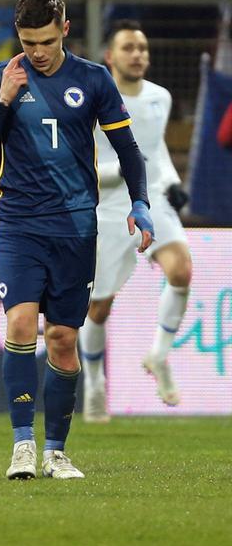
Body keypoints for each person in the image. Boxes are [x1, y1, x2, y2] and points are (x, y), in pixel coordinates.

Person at [0, 0, 154, 481]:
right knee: (22, 324)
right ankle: (22, 445)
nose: (37, 52)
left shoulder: (93, 79)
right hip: (19, 225)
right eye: (28, 42)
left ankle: (56, 451)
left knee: (64, 338)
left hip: (74, 227)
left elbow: (128, 149)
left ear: (65, 30)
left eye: (46, 41)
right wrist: (4, 99)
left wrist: (140, 203)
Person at [81, 22, 193, 421]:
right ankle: (94, 380)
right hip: (108, 208)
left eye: (143, 47)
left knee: (181, 270)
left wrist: (174, 182)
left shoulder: (159, 97)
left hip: (151, 201)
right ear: (110, 57)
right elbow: (82, 167)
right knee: (98, 308)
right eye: (128, 47)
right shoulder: (90, 103)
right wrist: (124, 173)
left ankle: (159, 356)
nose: (138, 54)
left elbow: (154, 148)